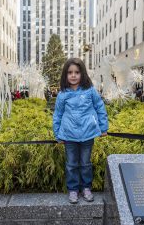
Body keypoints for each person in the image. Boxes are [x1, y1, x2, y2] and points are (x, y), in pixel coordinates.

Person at [53, 58, 108, 204]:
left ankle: (86, 188)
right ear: (65, 75)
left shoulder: (90, 91)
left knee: (85, 163)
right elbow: (57, 114)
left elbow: (100, 108)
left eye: (77, 72)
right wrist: (57, 133)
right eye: (70, 72)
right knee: (71, 164)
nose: (73, 75)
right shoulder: (63, 94)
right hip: (69, 136)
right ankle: (73, 189)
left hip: (87, 134)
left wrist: (103, 128)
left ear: (82, 74)